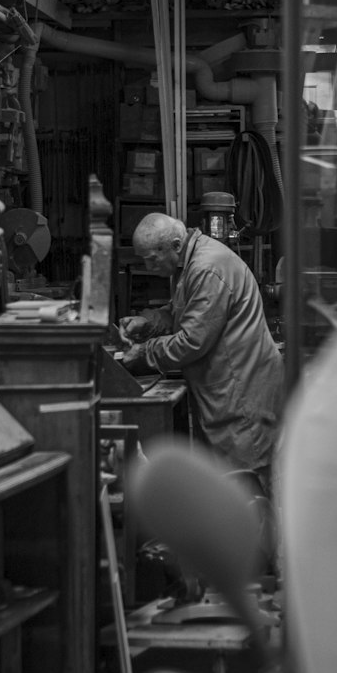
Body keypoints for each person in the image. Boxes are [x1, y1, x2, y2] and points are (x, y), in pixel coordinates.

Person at [119, 213, 283, 496]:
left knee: (247, 487)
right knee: (230, 487)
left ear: (175, 245)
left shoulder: (207, 268)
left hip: (242, 391)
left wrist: (143, 353)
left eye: (152, 259)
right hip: (227, 389)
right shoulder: (190, 263)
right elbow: (181, 311)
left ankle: (257, 541)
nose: (148, 266)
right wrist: (148, 322)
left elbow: (191, 341)